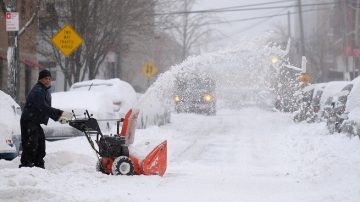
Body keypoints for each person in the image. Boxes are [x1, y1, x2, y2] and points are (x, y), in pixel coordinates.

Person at [19, 69, 72, 169]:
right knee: (32, 144)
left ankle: (38, 165)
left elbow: (45, 108)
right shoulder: (38, 91)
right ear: (40, 80)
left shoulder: (44, 90)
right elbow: (43, 107)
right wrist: (60, 115)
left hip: (34, 121)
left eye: (49, 79)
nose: (47, 81)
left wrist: (61, 116)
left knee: (40, 142)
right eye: (45, 79)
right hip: (28, 121)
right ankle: (26, 165)